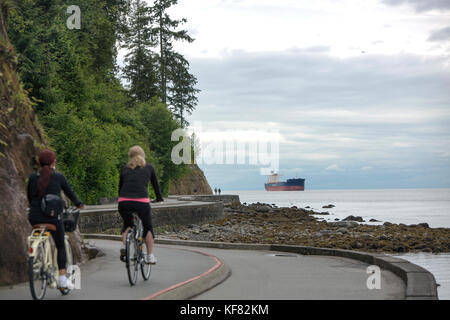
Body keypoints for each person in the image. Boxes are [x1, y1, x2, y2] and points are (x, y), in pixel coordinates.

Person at [27, 149, 85, 288]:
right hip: (52, 218)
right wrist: (79, 204)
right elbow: (69, 192)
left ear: (40, 162)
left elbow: (29, 197)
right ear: (53, 162)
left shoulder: (33, 177)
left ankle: (38, 262)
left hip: (34, 217)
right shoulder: (58, 177)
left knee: (39, 236)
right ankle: (63, 279)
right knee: (60, 245)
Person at [118, 146, 163, 264]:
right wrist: (159, 198)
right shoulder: (149, 167)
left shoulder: (125, 169)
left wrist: (122, 200)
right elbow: (156, 186)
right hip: (141, 202)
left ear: (130, 156)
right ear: (143, 155)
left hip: (124, 201)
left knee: (127, 224)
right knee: (148, 227)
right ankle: (150, 256)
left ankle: (125, 247)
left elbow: (120, 187)